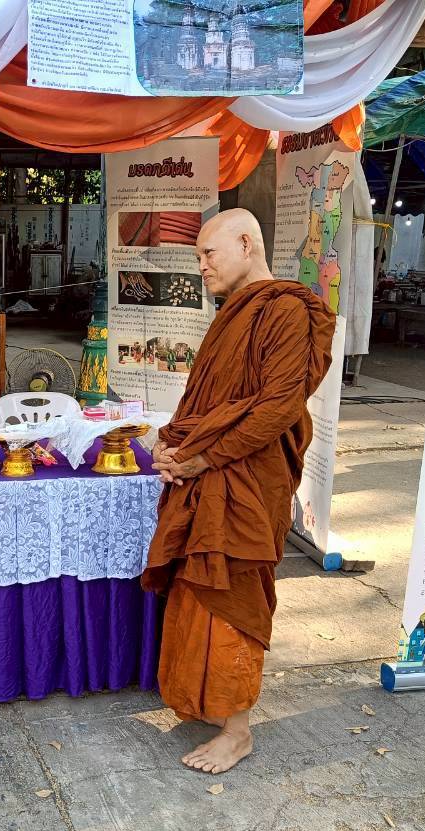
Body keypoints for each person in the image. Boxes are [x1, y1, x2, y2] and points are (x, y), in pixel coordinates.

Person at [142, 209, 335, 775]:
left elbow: (278, 407)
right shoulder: (233, 312)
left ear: (246, 244)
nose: (201, 266)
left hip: (248, 478)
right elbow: (204, 399)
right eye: (198, 257)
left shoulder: (285, 310)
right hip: (211, 473)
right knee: (198, 589)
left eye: (209, 254)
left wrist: (202, 457)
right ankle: (208, 701)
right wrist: (172, 446)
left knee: (233, 594)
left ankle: (238, 730)